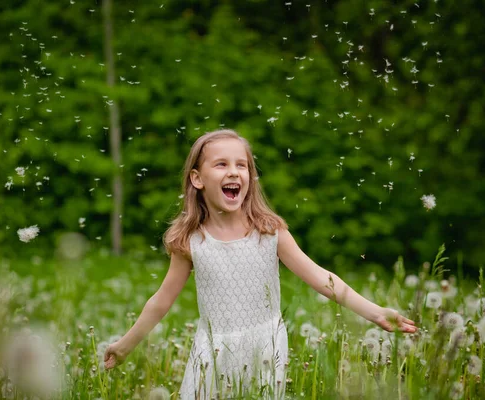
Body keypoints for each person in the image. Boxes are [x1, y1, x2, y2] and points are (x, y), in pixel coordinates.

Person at [104, 129, 417, 399]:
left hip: (265, 349)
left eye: (242, 165)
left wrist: (376, 313)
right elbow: (161, 301)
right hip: (211, 352)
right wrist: (125, 345)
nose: (233, 172)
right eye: (221, 164)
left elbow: (322, 279)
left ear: (250, 178)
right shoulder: (191, 242)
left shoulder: (270, 232)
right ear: (197, 179)